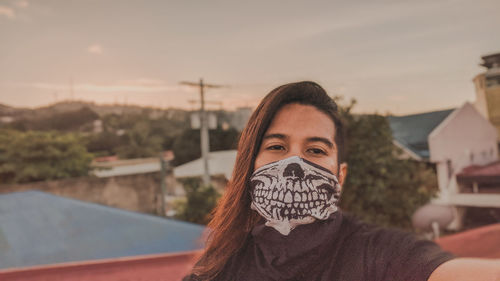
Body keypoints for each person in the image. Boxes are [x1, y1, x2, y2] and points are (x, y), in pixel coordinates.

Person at [184, 81, 500, 281]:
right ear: (249, 166)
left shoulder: (378, 254)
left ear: (340, 176)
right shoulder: (219, 268)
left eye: (316, 149)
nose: (294, 165)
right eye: (277, 146)